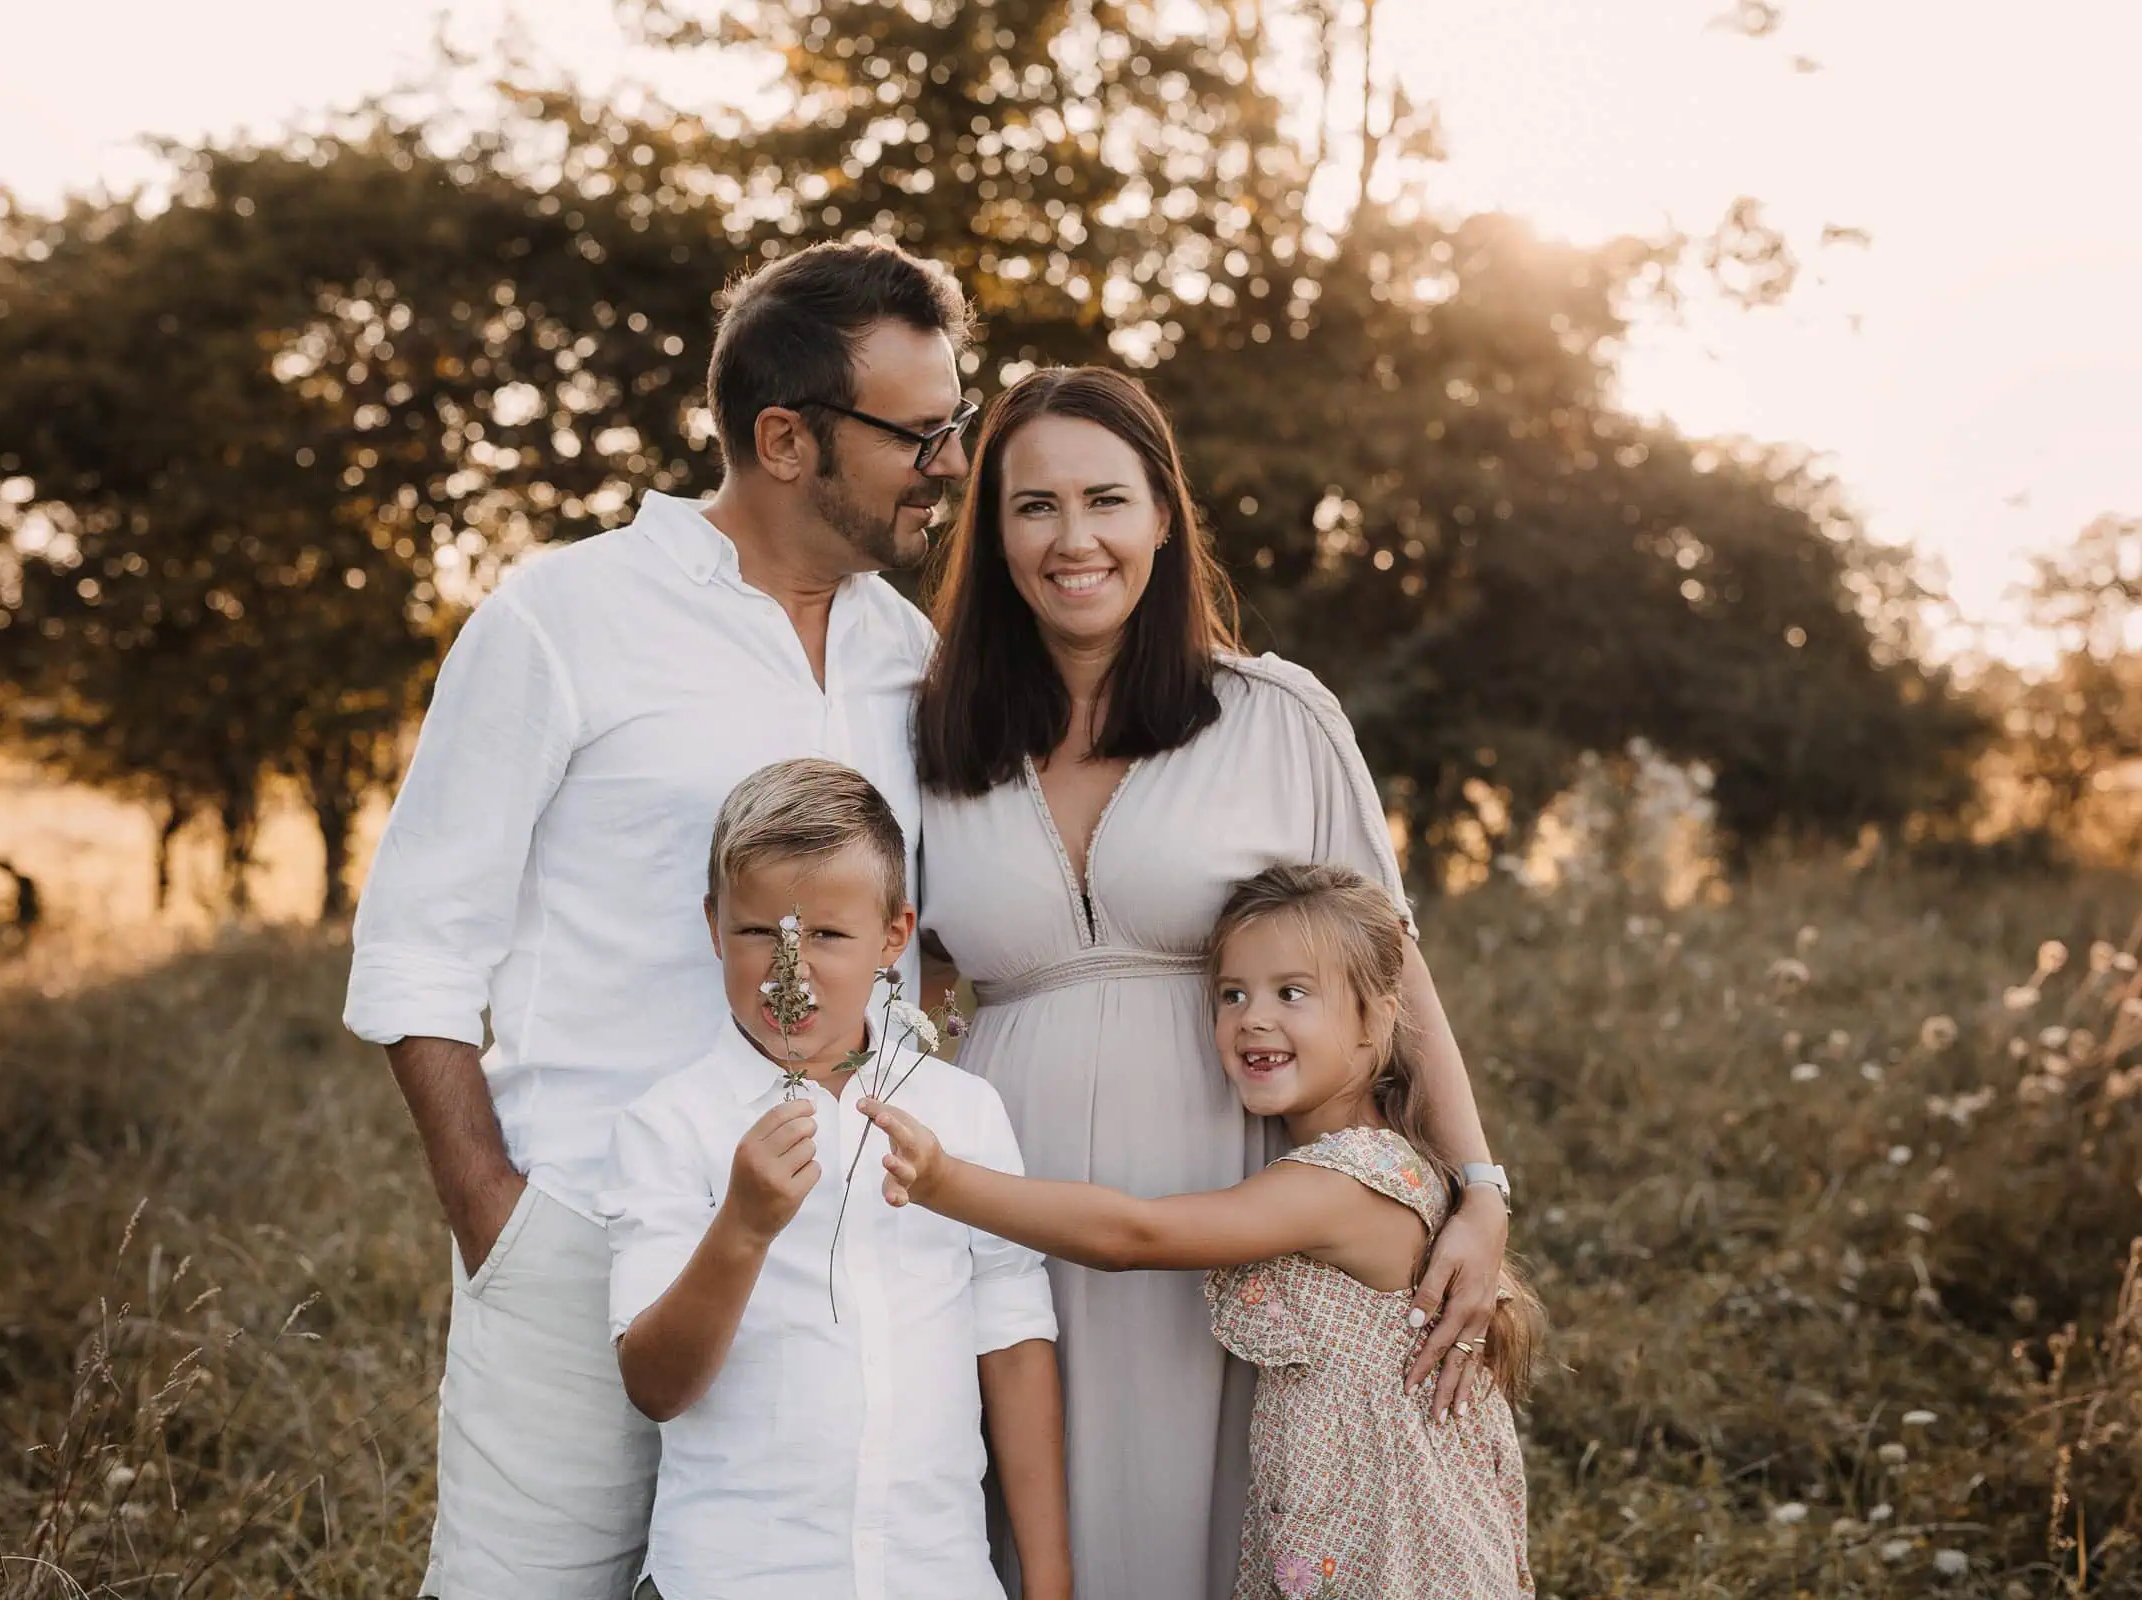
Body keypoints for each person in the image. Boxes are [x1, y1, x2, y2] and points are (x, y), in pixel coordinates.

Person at [341, 240, 977, 1598]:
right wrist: (495, 1218)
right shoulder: (563, 619)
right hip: (578, 1230)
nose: (952, 463)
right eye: (920, 434)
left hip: (838, 1249)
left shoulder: (908, 658)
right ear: (787, 438)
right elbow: (416, 942)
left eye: (958, 425)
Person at [912, 366, 1517, 1598]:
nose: (1073, 540)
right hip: (1000, 1191)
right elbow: (888, 964)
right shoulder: (934, 736)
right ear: (994, 532)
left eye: (1106, 500)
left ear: (1163, 519)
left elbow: (1391, 966)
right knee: (1017, 1527)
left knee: (1223, 1528)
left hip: (1225, 1202)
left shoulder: (1274, 714)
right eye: (1034, 507)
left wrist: (1482, 1190)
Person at [865, 862, 1541, 1600]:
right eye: (1231, 994)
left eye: (1292, 993)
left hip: (1392, 1555)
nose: (1252, 1016)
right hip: (1360, 1537)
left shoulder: (1346, 1182)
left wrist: (945, 1182)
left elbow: (1136, 1237)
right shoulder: (1378, 1164)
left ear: (1376, 1020)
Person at [605, 759, 1069, 1600]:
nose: (792, 969)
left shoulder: (963, 1111)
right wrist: (742, 1228)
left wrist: (1049, 1577)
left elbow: (1010, 1336)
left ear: (894, 937)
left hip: (936, 1575)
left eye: (826, 934)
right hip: (732, 1578)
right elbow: (655, 1386)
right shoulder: (670, 1125)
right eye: (758, 935)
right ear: (714, 927)